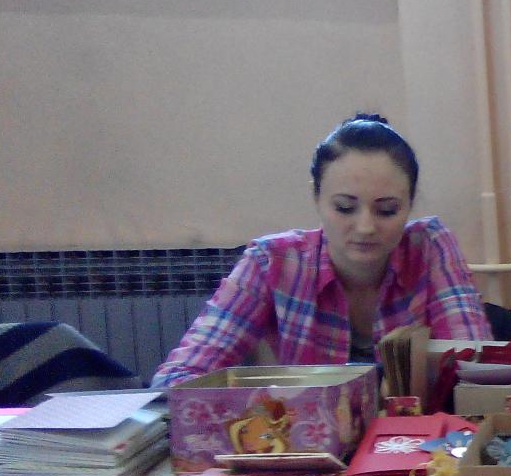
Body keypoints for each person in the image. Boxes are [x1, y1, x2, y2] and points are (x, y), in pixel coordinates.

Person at [152, 116, 492, 387]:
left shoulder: (430, 246)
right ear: (316, 197)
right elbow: (176, 381)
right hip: (307, 444)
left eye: (387, 210)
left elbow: (476, 371)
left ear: (410, 204)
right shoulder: (271, 262)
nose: (365, 227)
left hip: (418, 447)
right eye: (344, 207)